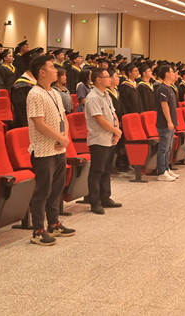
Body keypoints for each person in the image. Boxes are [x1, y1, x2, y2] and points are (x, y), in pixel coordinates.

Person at [25, 55, 75, 245]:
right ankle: (38, 230)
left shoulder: (54, 92)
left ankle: (54, 224)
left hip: (59, 148)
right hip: (43, 150)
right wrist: (60, 138)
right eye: (52, 67)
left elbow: (64, 116)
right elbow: (39, 124)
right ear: (42, 72)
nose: (56, 70)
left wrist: (64, 137)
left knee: (56, 189)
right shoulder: (35, 94)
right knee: (43, 191)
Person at [84, 68, 123, 214]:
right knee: (97, 171)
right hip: (99, 139)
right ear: (98, 80)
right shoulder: (93, 97)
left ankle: (105, 197)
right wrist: (115, 131)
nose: (110, 79)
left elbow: (113, 114)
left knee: (107, 170)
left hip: (110, 137)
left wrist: (117, 130)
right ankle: (95, 202)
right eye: (107, 77)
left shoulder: (106, 94)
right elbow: (99, 119)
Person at [154, 65, 179, 181]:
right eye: (172, 71)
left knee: (168, 148)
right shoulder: (162, 88)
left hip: (171, 122)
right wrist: (169, 121)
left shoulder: (170, 88)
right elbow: (164, 106)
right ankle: (161, 172)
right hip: (164, 123)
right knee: (163, 148)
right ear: (166, 74)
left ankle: (167, 168)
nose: (174, 73)